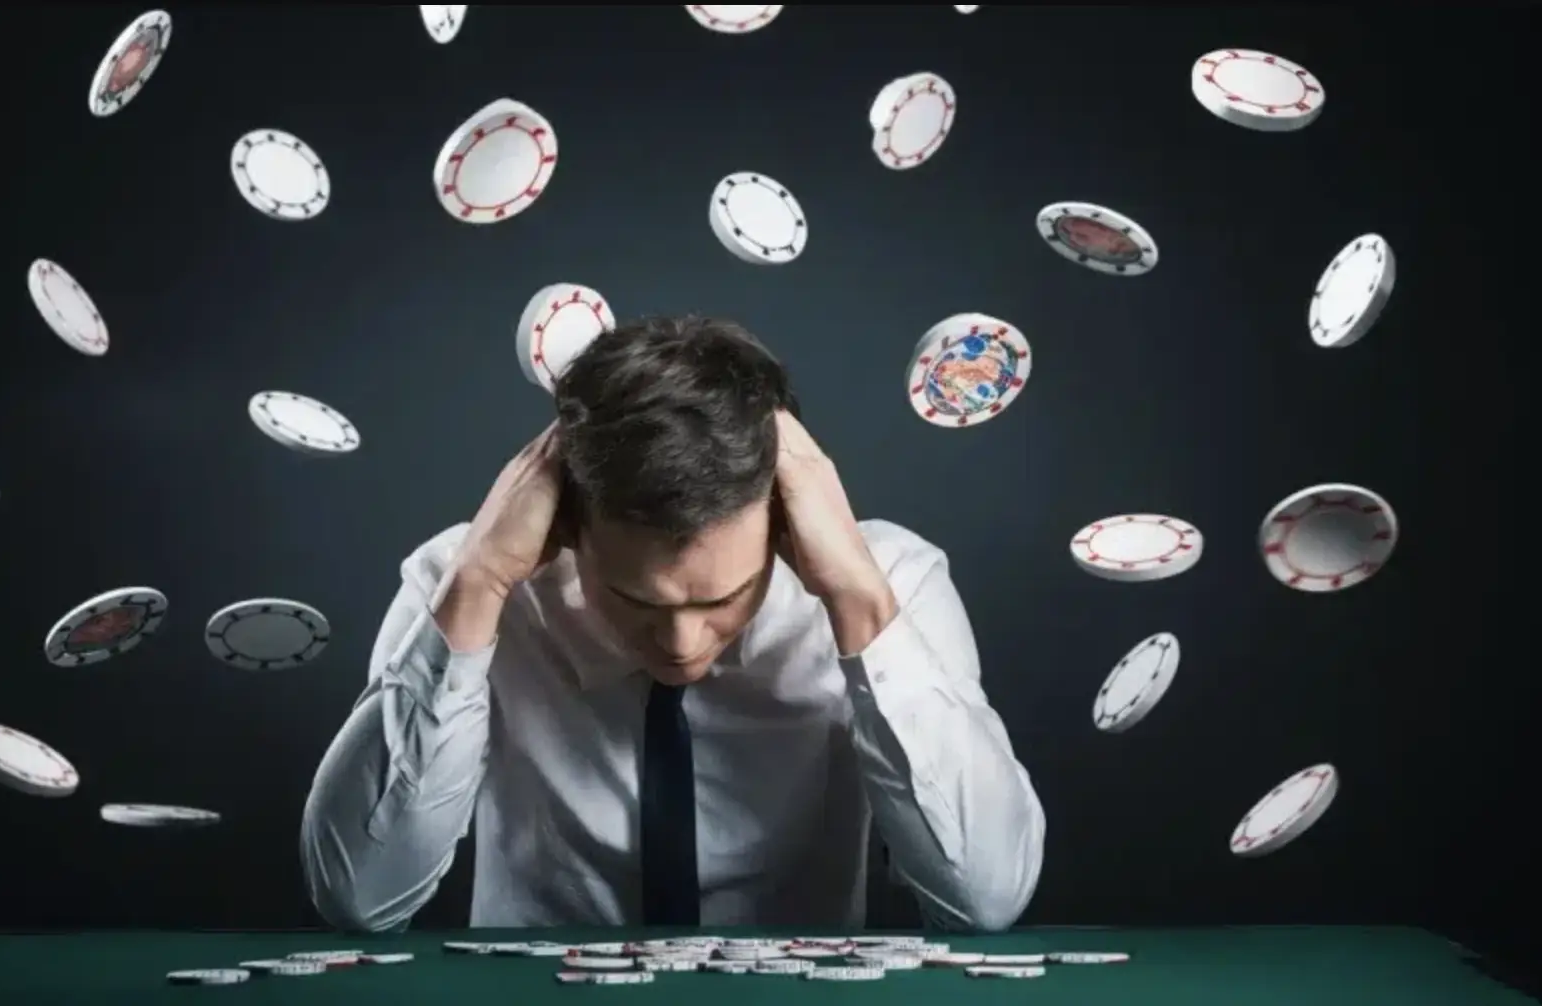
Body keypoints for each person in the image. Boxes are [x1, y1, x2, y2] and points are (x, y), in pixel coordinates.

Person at [300, 315, 1045, 932]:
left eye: (724, 598)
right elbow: (359, 901)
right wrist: (479, 583)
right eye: (638, 600)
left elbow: (986, 901)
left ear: (783, 517)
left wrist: (857, 601)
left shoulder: (890, 583)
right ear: (566, 529)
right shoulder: (465, 583)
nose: (682, 643)